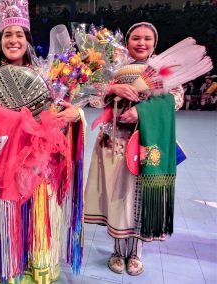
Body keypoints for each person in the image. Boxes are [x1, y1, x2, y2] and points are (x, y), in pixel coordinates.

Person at [0, 0, 85, 283]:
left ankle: (33, 267)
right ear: (0, 41)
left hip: (35, 168)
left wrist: (74, 113)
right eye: (8, 34)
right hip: (0, 167)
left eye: (19, 34)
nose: (13, 40)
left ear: (28, 41)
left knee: (35, 215)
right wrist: (23, 121)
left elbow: (65, 111)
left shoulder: (48, 77)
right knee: (2, 217)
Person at [84, 22, 184, 276]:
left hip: (149, 142)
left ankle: (136, 253)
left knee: (139, 196)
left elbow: (177, 100)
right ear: (126, 42)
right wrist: (111, 88)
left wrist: (141, 110)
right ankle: (118, 251)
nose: (141, 43)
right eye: (136, 38)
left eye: (147, 38)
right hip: (114, 142)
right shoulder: (112, 67)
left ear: (155, 43)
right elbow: (91, 95)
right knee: (118, 196)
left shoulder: (164, 70)